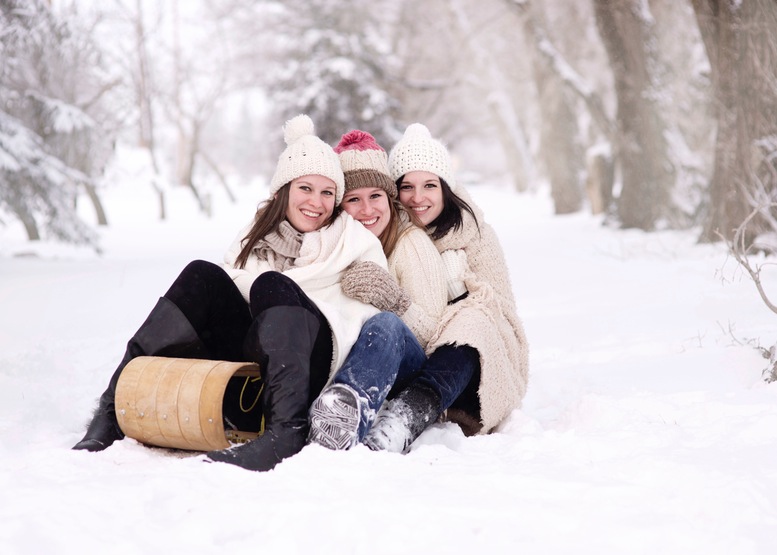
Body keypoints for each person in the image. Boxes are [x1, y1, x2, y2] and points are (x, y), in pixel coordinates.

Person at [72, 114, 386, 472]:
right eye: (305, 188)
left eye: (327, 192)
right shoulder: (255, 236)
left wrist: (280, 293)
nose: (316, 201)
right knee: (201, 274)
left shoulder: (353, 241)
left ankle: (287, 430)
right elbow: (233, 290)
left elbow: (364, 320)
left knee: (272, 284)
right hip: (256, 359)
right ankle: (111, 410)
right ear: (284, 189)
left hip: (315, 362)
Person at [361, 122, 530, 453]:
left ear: (445, 188)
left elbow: (503, 313)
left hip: (471, 363)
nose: (418, 198)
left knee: (474, 320)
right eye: (407, 187)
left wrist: (461, 291)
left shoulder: (475, 234)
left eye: (429, 185)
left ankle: (405, 418)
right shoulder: (389, 233)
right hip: (412, 351)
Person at [305, 130, 448, 450]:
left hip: (407, 368)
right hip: (351, 356)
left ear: (389, 198)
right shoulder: (338, 244)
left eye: (375, 197)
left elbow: (436, 337)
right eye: (354, 199)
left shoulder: (410, 245)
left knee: (385, 325)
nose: (367, 209)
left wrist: (395, 301)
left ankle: (343, 414)